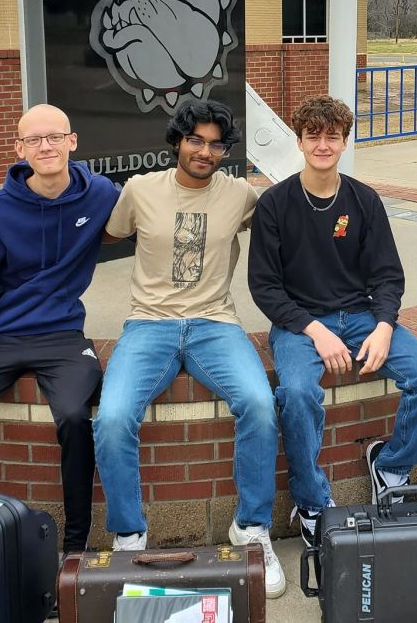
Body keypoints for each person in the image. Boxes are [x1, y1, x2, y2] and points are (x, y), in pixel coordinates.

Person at [91, 99, 286, 598]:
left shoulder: (241, 194)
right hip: (148, 324)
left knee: (260, 404)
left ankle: (251, 529)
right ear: (178, 140)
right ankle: (130, 536)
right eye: (195, 139)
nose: (204, 151)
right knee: (112, 417)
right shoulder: (140, 190)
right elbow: (109, 234)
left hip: (215, 323)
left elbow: (284, 226)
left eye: (215, 143)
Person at [248, 95, 417, 550]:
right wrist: (315, 330)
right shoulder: (275, 205)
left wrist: (383, 325)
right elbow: (265, 288)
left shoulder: (364, 200)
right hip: (300, 325)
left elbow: (387, 275)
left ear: (344, 141)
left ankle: (392, 466)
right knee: (298, 392)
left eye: (332, 136)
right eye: (313, 136)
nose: (323, 145)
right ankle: (313, 502)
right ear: (299, 141)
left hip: (361, 317)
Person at [0, 104, 120, 554]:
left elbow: (153, 207)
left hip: (62, 336)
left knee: (77, 419)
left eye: (54, 137)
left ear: (71, 142)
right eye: (35, 140)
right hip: (4, 334)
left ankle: (75, 545)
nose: (46, 146)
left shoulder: (99, 194)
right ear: (19, 149)